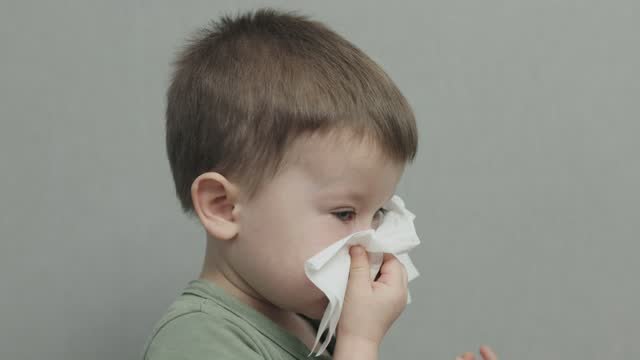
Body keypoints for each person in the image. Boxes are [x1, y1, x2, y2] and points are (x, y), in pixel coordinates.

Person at [142, 7, 497, 360]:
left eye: (378, 214)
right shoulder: (195, 340)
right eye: (344, 213)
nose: (371, 244)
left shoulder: (309, 325)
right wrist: (359, 343)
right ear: (223, 206)